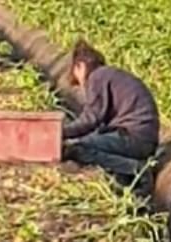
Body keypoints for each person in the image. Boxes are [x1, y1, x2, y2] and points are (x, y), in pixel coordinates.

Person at [61, 40, 161, 186]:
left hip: (134, 138)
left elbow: (91, 119)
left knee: (79, 148)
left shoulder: (97, 77)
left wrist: (61, 133)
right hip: (142, 138)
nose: (82, 86)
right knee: (92, 140)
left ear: (80, 66)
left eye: (77, 79)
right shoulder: (110, 76)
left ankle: (135, 169)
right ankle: (126, 178)